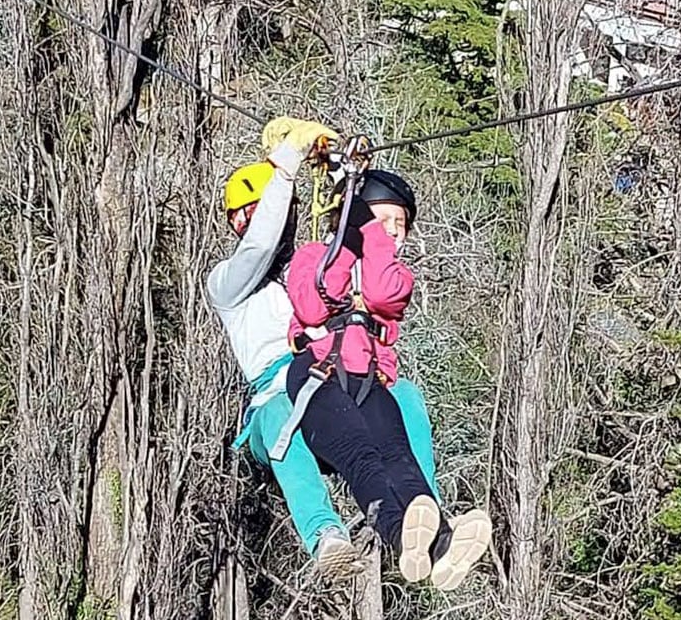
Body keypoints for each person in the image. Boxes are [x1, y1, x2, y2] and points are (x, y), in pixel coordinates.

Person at [279, 169, 492, 592]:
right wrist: (351, 235)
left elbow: (378, 292)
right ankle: (401, 535)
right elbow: (315, 303)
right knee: (363, 456)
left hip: (369, 382)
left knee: (400, 456)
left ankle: (440, 544)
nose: (393, 233)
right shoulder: (311, 257)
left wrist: (368, 232)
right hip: (317, 377)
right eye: (383, 220)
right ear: (353, 216)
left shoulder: (397, 276)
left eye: (400, 225)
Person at [207, 117, 365, 578]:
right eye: (246, 214)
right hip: (273, 405)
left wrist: (349, 180)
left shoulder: (304, 269)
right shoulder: (226, 284)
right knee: (278, 415)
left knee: (397, 399)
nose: (247, 220)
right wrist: (286, 167)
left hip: (322, 385)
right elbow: (259, 248)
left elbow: (351, 253)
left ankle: (419, 513)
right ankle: (325, 536)